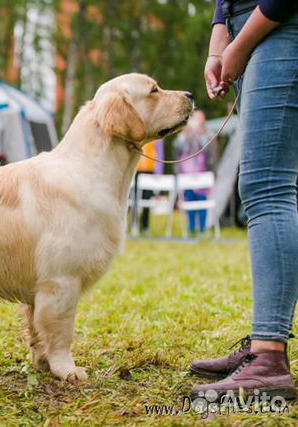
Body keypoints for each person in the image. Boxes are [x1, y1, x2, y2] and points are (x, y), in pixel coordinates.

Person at [190, 1, 298, 399]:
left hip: (279, 25)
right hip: (253, 29)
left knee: (268, 187)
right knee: (261, 187)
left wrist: (238, 46)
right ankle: (262, 344)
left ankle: (269, 357)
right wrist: (219, 43)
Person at [175, 111, 214, 235]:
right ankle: (191, 228)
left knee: (202, 202)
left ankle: (202, 228)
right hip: (187, 175)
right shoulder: (183, 136)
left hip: (203, 174)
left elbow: (212, 156)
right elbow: (177, 152)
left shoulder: (208, 135)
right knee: (189, 201)